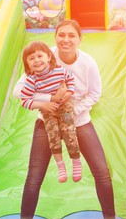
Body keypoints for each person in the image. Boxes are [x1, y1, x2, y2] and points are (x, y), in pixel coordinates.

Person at [13, 19, 116, 219]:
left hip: (78, 121)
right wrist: (47, 101)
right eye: (61, 35)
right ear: (55, 37)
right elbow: (19, 91)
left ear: (80, 39)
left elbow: (95, 94)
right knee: (34, 177)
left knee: (102, 172)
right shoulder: (43, 57)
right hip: (47, 121)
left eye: (71, 35)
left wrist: (71, 113)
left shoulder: (87, 63)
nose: (65, 39)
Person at [20, 41, 82, 183]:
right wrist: (43, 104)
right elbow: (24, 100)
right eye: (31, 58)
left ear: (48, 57)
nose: (36, 60)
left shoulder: (59, 71)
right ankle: (61, 166)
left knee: (69, 133)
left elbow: (70, 79)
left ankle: (76, 162)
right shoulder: (31, 81)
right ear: (27, 63)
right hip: (48, 112)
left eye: (39, 56)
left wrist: (70, 91)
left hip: (65, 108)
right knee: (53, 137)